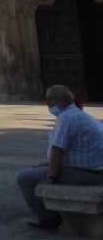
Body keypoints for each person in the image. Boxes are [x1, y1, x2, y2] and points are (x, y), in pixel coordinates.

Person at [15, 85, 103, 230]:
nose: (47, 104)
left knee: (23, 177)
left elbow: (57, 150)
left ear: (55, 101)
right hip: (96, 170)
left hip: (83, 174)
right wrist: (49, 164)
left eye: (49, 100)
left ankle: (48, 218)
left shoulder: (66, 118)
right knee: (38, 170)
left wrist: (52, 176)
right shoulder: (82, 115)